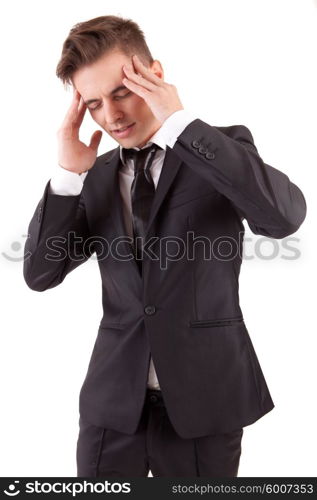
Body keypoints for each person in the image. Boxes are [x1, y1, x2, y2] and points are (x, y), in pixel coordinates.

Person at [23, 15, 307, 478]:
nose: (111, 116)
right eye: (93, 103)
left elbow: (284, 218)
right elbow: (39, 274)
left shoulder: (220, 149)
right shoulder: (92, 175)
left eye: (121, 93)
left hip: (206, 401)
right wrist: (67, 175)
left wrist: (181, 125)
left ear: (154, 74)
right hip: (113, 408)